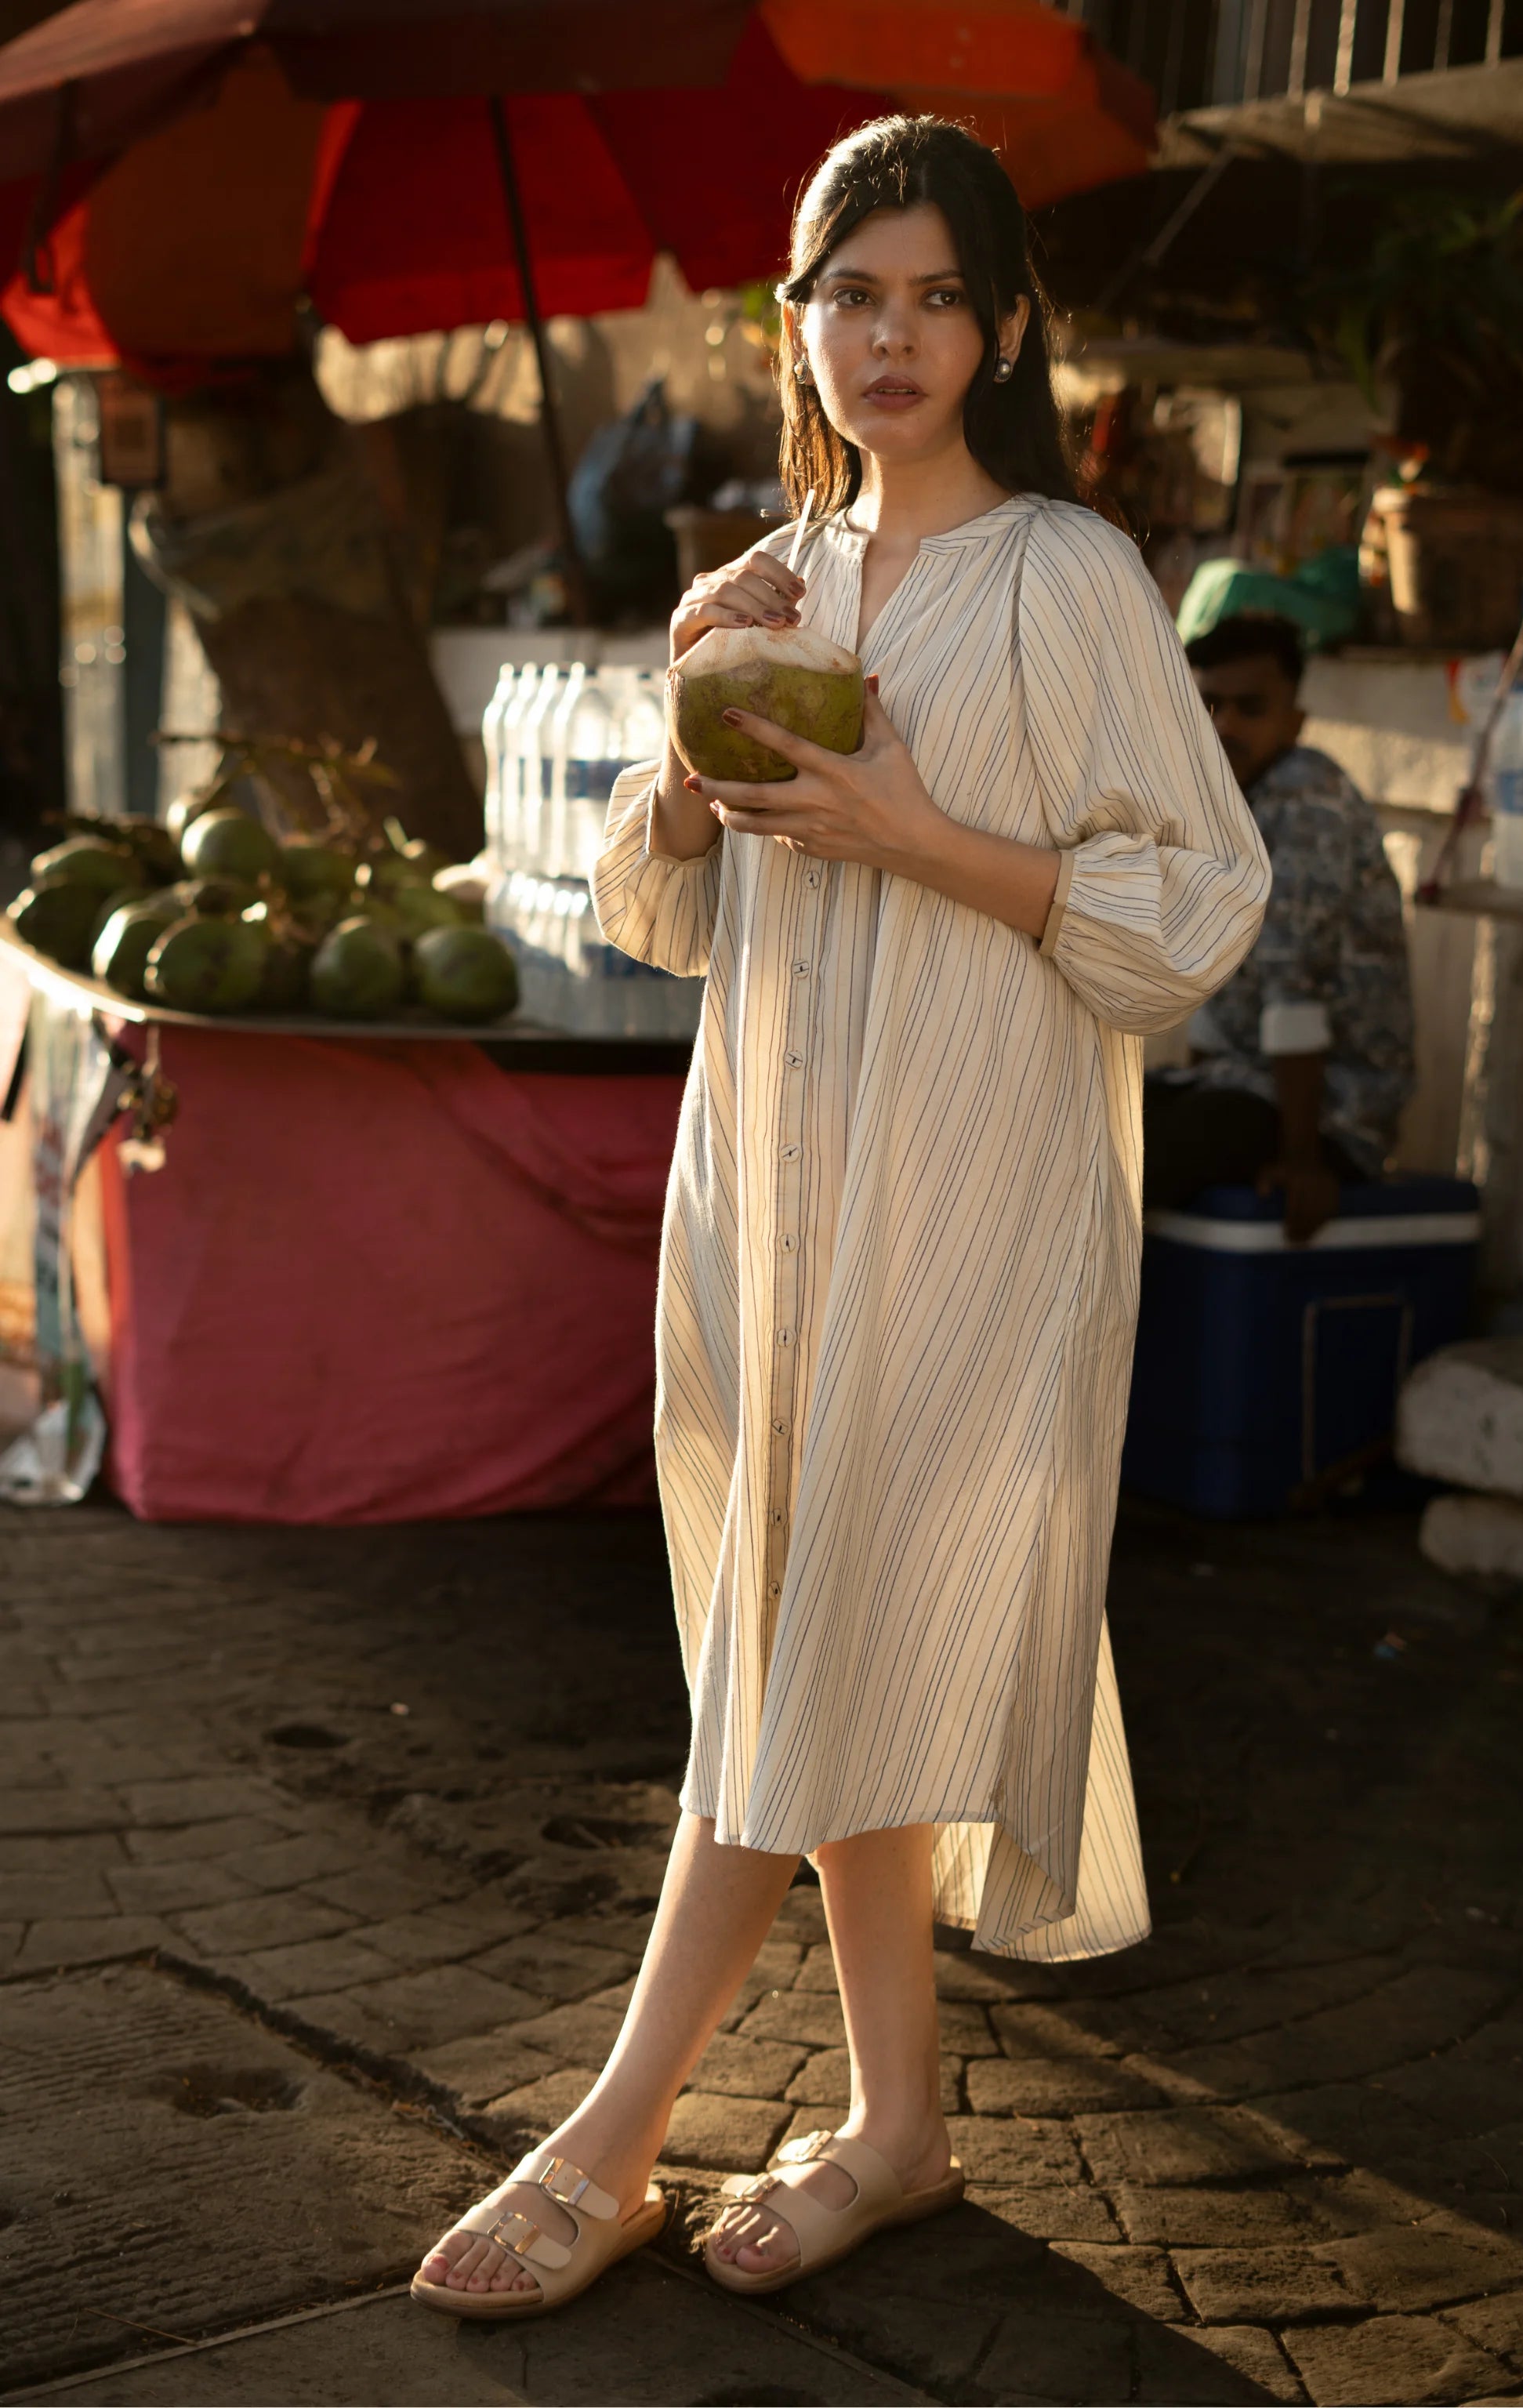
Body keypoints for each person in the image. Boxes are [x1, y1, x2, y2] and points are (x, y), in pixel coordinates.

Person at [410, 114, 1269, 2323]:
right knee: (819, 1608)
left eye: (933, 295)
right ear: (793, 322)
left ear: (998, 329)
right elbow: (670, 912)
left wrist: (911, 828)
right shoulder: (780, 575)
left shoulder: (1070, 575)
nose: (889, 336)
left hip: (974, 1182)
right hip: (780, 1173)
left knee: (810, 1632)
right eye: (849, 293)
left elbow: (1197, 907)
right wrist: (696, 761)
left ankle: (610, 2137)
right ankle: (897, 2124)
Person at [1143, 613, 1414, 1243]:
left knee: (1130, 1162)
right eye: (1209, 704)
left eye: (1250, 707)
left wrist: (1303, 1162)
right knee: (1078, 1119)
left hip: (1328, 1115)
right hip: (1243, 1086)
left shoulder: (1308, 799)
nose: (1225, 725)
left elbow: (1294, 992)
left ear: (1294, 721)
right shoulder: (1229, 795)